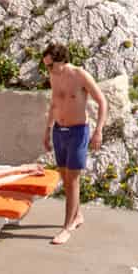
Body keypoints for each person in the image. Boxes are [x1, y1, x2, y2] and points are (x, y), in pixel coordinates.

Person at [39, 43, 108, 246]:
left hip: (78, 132)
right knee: (65, 178)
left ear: (61, 61)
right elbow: (54, 104)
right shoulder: (54, 76)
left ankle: (67, 228)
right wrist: (47, 131)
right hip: (59, 131)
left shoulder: (79, 75)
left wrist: (99, 130)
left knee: (73, 179)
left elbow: (102, 101)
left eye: (51, 65)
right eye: (46, 66)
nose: (48, 70)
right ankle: (77, 216)